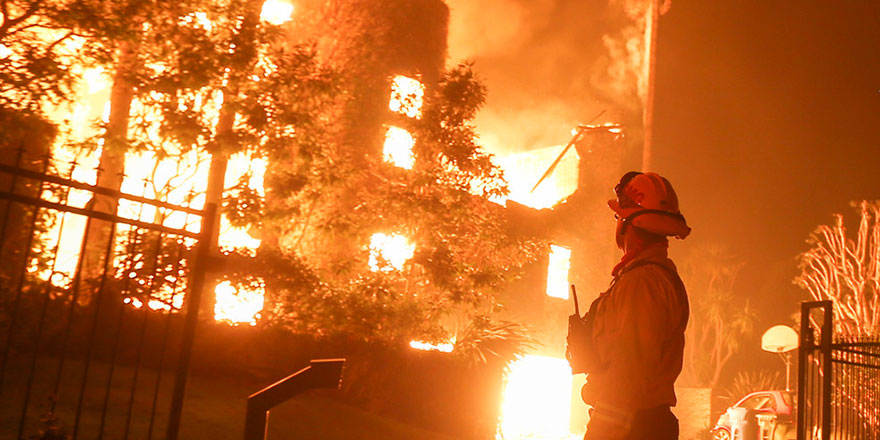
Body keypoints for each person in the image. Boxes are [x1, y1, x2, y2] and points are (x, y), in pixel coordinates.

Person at [567, 171, 691, 440]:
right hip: (637, 425)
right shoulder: (650, 277)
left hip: (632, 428)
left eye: (619, 217)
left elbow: (626, 373)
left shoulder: (642, 283)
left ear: (628, 224)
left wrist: (599, 435)